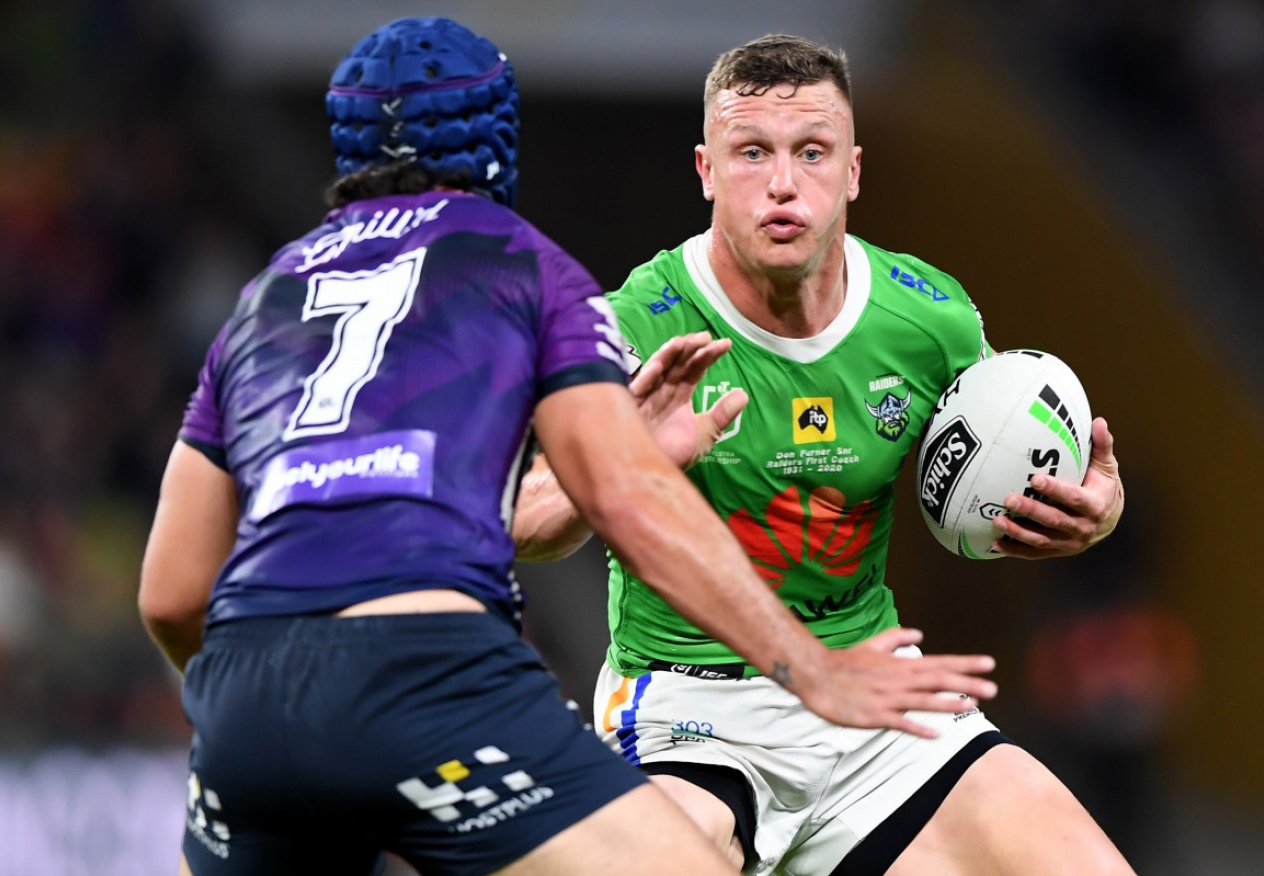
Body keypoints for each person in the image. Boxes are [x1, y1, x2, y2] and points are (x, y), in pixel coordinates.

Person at [136, 18, 1001, 876]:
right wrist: (810, 670)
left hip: (242, 700)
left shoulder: (263, 300)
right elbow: (625, 497)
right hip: (424, 673)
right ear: (496, 138)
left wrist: (260, 703)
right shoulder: (527, 269)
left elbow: (172, 595)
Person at [511, 33, 1131, 876]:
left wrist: (1092, 515)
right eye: (750, 153)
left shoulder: (928, 320)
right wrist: (616, 473)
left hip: (870, 694)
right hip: (691, 709)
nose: (781, 184)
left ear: (852, 171)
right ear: (704, 170)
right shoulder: (633, 326)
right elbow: (520, 525)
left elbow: (1010, 464)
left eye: (811, 153)